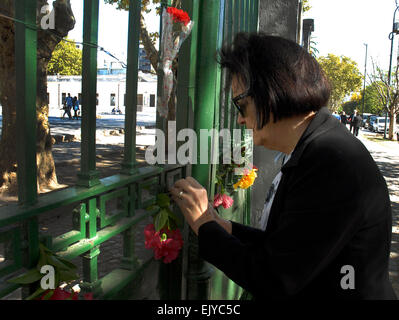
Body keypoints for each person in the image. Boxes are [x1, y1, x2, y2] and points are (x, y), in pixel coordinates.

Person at [169, 32, 396, 300]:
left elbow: (274, 279)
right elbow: (289, 244)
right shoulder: (317, 147)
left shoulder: (331, 161)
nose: (240, 120)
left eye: (240, 105)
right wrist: (222, 226)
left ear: (271, 93)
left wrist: (205, 225)